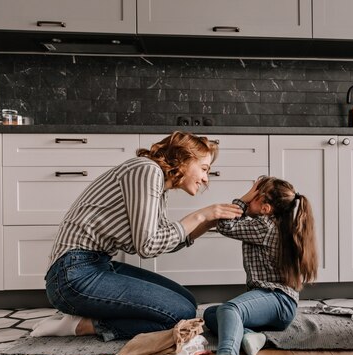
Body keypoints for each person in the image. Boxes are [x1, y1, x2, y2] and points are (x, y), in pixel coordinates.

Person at [31, 131, 243, 341]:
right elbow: (148, 245)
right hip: (72, 274)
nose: (205, 178)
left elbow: (161, 242)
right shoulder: (147, 169)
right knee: (180, 313)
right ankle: (83, 326)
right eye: (204, 169)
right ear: (184, 159)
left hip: (96, 265)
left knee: (187, 302)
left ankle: (89, 312)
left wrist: (207, 223)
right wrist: (200, 215)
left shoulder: (158, 186)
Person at [197, 176, 318, 355]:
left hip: (277, 299)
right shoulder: (275, 224)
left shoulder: (264, 226)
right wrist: (250, 199)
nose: (249, 199)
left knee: (229, 310)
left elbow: (225, 225)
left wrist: (242, 199)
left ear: (265, 208)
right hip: (278, 304)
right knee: (211, 314)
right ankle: (252, 337)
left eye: (254, 197)